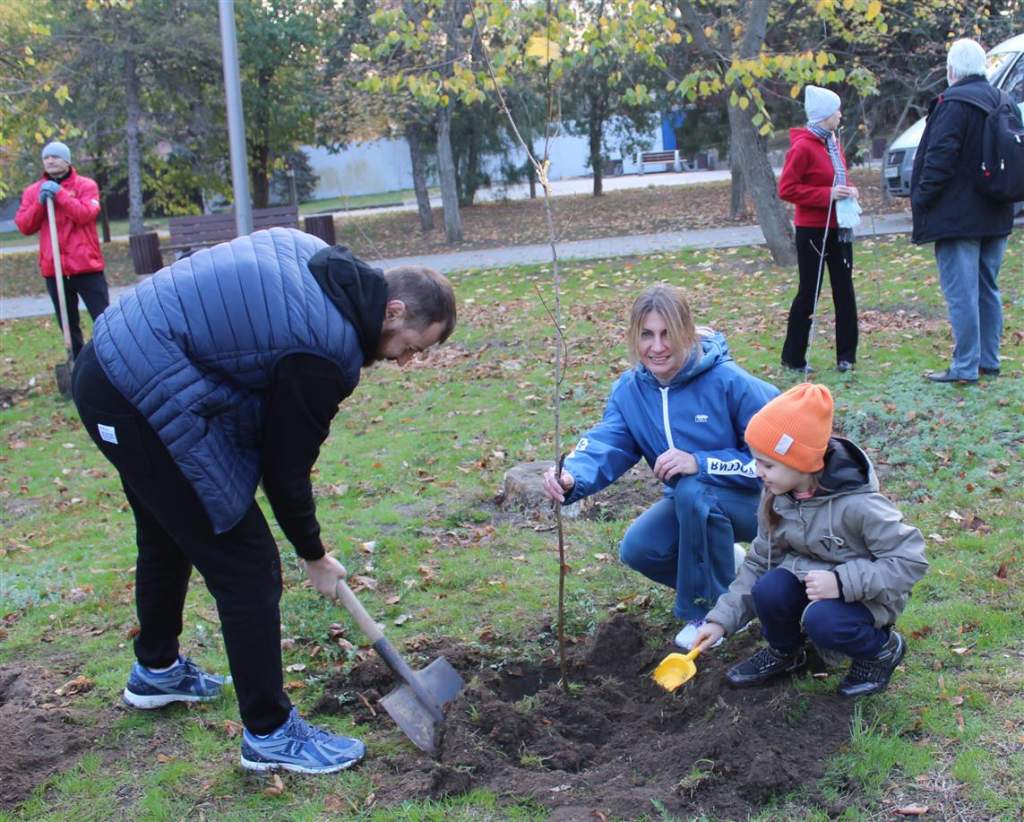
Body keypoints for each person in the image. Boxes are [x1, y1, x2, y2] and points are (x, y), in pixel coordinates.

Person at [71, 228, 456, 773]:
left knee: (168, 530)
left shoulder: (314, 255)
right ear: (393, 311)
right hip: (134, 390)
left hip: (111, 363)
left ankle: (157, 670)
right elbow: (285, 469)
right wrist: (313, 554)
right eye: (411, 348)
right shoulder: (326, 351)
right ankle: (270, 734)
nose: (405, 362)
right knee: (248, 565)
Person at [542, 285, 779, 650]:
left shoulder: (730, 382)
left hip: (759, 504)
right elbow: (608, 442)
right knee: (640, 548)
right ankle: (732, 582)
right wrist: (573, 476)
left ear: (687, 331)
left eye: (667, 334)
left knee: (693, 488)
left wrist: (700, 462)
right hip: (694, 505)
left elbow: (774, 458)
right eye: (646, 335)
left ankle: (709, 613)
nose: (657, 347)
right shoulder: (631, 391)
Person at [692, 383, 928, 697]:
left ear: (802, 463)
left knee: (824, 620)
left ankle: (880, 650)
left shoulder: (859, 504)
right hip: (812, 582)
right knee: (769, 588)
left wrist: (841, 583)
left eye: (768, 464)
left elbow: (910, 560)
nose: (758, 471)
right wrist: (721, 621)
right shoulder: (777, 496)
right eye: (756, 461)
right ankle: (786, 652)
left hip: (867, 596)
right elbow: (760, 561)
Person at [911, 38, 1014, 383]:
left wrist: (922, 198)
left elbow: (939, 157)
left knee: (962, 294)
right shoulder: (1004, 100)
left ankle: (965, 365)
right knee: (988, 288)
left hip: (957, 216)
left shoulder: (953, 103)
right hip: (998, 210)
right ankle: (989, 360)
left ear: (951, 69)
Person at [778, 85, 860, 374]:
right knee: (809, 292)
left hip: (840, 227)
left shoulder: (833, 142)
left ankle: (847, 356)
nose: (840, 115)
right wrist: (827, 195)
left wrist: (849, 190)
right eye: (836, 110)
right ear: (824, 115)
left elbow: (838, 177)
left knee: (844, 291)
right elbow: (787, 189)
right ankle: (793, 357)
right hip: (812, 231)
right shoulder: (803, 147)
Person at [15, 140, 109, 357]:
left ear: (67, 161)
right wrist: (40, 203)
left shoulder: (86, 186)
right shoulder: (33, 191)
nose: (50, 161)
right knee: (68, 324)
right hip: (55, 269)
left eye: (55, 157)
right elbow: (24, 226)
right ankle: (75, 361)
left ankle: (111, 358)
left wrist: (60, 195)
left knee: (104, 319)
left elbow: (85, 214)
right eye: (46, 158)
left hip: (86, 266)